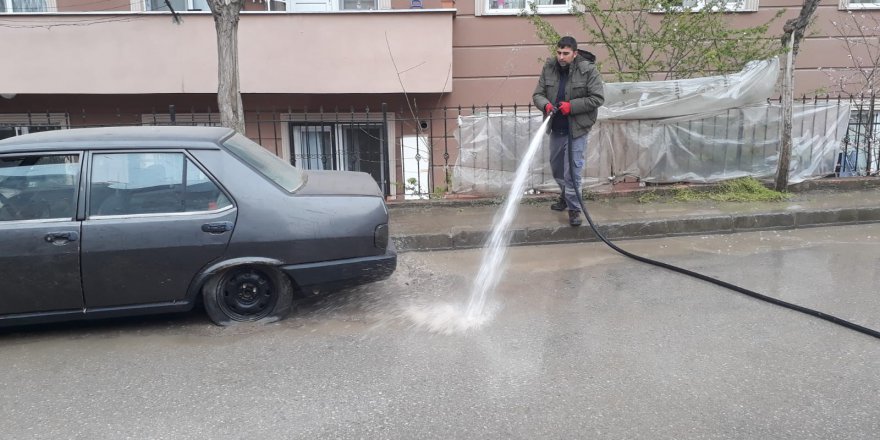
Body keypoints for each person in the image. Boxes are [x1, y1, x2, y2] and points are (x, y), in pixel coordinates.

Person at [533, 36, 604, 227]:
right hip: (556, 129)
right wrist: (546, 105)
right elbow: (537, 94)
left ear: (575, 53)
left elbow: (597, 98)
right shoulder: (549, 68)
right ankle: (565, 196)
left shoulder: (588, 71)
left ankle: (574, 209)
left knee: (572, 172)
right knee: (557, 170)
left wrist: (571, 106)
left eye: (565, 53)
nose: (561, 57)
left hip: (576, 130)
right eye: (558, 53)